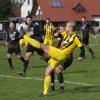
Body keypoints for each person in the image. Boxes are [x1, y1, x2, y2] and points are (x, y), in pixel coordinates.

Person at [23, 21, 85, 96]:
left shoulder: (76, 37)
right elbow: (58, 35)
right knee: (47, 71)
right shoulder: (66, 33)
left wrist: (81, 55)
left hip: (61, 54)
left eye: (67, 26)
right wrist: (56, 34)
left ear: (71, 28)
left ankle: (25, 37)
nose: (65, 27)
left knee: (43, 46)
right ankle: (45, 92)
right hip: (58, 54)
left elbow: (82, 47)